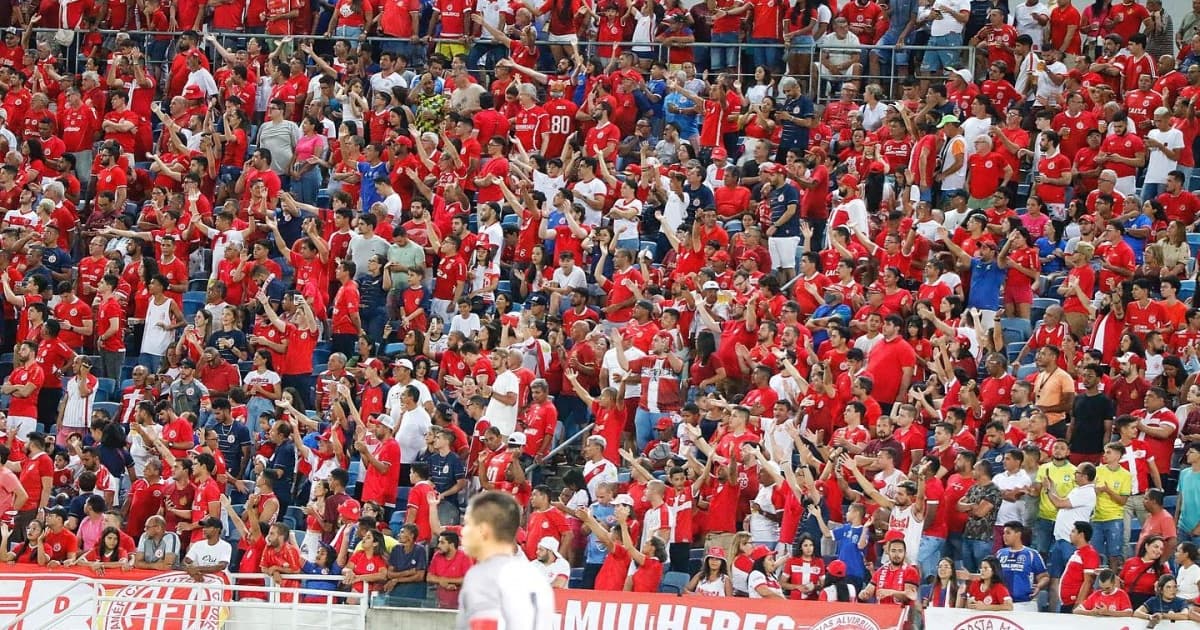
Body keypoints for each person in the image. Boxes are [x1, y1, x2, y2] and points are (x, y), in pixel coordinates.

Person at [457, 492, 555, 629]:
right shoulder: (534, 576)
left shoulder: (485, 577)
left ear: (483, 530)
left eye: (467, 524)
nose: (463, 532)